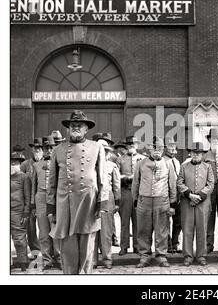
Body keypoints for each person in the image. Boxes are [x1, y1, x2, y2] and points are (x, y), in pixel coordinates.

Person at [47, 110, 109, 274]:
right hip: (65, 204)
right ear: (68, 128)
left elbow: (103, 177)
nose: (75, 128)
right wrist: (51, 208)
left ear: (85, 129)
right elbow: (51, 182)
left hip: (88, 203)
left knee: (87, 246)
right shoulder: (58, 150)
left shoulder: (96, 148)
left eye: (79, 125)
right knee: (68, 249)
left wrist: (101, 203)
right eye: (72, 125)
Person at [132, 136, 177, 268]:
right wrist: (136, 200)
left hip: (161, 201)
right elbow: (136, 182)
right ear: (149, 148)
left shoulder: (168, 164)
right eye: (154, 147)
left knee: (162, 230)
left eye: (160, 148)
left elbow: (172, 185)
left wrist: (173, 204)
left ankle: (161, 256)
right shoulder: (141, 163)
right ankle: (144, 256)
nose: (157, 150)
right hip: (144, 201)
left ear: (163, 150)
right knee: (143, 230)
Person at [177, 142, 214, 266]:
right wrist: (189, 194)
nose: (196, 155)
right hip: (187, 202)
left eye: (198, 153)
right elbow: (179, 183)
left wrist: (200, 196)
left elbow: (210, 184)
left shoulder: (207, 167)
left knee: (202, 229)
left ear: (202, 154)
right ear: (190, 153)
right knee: (187, 229)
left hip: (202, 203)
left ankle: (201, 255)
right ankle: (188, 255)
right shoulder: (184, 166)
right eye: (194, 152)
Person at [30, 136, 61, 270]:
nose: (48, 150)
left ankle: (59, 258)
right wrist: (33, 204)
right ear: (42, 149)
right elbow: (34, 186)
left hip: (55, 198)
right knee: (43, 232)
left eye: (51, 147)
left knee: (56, 229)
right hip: (41, 198)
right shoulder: (36, 165)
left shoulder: (60, 163)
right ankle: (47, 259)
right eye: (46, 148)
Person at [93, 137, 121, 269]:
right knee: (92, 231)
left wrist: (117, 202)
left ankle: (107, 259)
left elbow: (116, 185)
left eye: (104, 150)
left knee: (106, 232)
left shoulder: (111, 166)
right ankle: (92, 260)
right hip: (92, 199)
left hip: (107, 198)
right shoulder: (90, 165)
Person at [117, 136, 145, 255]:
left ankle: (137, 246)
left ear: (137, 145)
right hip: (126, 191)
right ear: (126, 146)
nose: (131, 147)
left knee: (138, 221)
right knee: (124, 221)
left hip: (138, 193)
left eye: (133, 145)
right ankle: (124, 246)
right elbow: (116, 175)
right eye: (129, 145)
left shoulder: (143, 159)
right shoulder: (120, 160)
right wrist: (127, 178)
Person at [21, 138, 43, 254]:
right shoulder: (25, 165)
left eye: (39, 148)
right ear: (32, 150)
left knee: (45, 227)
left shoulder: (46, 164)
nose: (37, 151)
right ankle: (35, 251)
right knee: (31, 227)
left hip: (42, 198)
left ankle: (48, 251)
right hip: (29, 199)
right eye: (35, 148)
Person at [11, 152, 31, 272]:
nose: (12, 165)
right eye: (10, 163)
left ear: (19, 164)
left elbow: (27, 196)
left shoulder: (24, 177)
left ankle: (23, 262)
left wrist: (26, 212)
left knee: (19, 238)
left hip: (17, 211)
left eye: (15, 163)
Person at [164, 136, 182, 253]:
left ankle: (175, 244)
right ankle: (167, 244)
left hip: (178, 195)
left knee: (178, 221)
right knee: (165, 222)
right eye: (170, 146)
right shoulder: (163, 161)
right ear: (165, 148)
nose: (172, 148)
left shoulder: (176, 161)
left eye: (174, 146)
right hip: (166, 194)